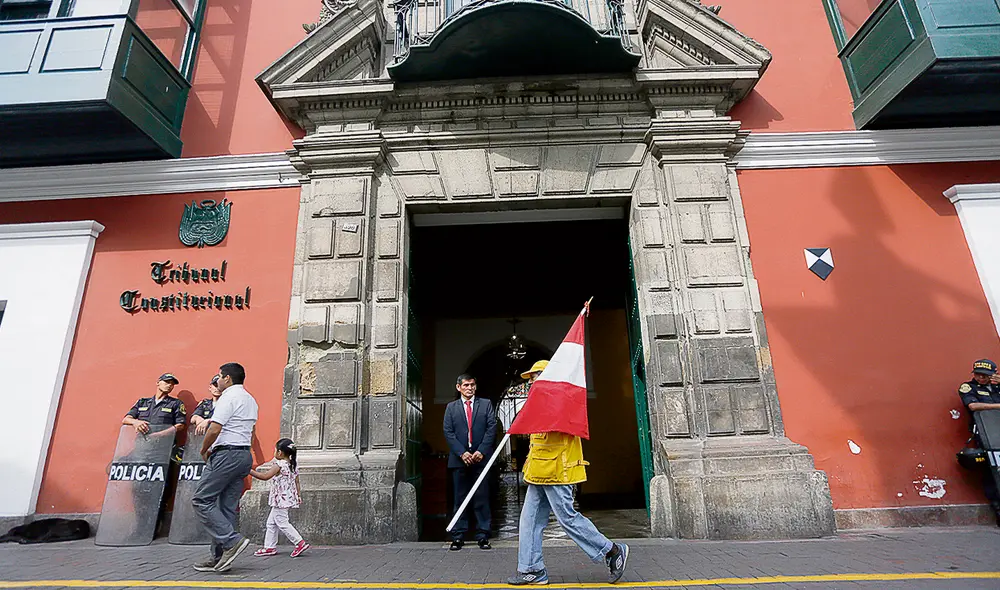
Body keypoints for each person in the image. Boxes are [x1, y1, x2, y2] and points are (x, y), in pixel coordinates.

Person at [507, 360, 629, 586]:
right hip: (538, 470)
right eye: (531, 378)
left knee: (567, 518)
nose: (531, 382)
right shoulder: (538, 402)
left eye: (535, 377)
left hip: (557, 469)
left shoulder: (562, 400)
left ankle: (611, 551)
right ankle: (532, 569)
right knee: (529, 521)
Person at [191, 362, 258, 573]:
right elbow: (252, 430)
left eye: (219, 376)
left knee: (201, 499)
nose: (217, 380)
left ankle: (231, 541)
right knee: (225, 507)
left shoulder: (228, 397)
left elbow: (214, 428)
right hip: (243, 454)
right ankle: (220, 557)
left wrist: (204, 449)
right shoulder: (250, 399)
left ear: (227, 378)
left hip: (226, 454)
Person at [443, 373, 497, 550]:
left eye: (472, 385)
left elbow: (491, 428)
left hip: (481, 460)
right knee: (459, 498)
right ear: (458, 387)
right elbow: (448, 432)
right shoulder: (451, 408)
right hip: (459, 461)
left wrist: (481, 450)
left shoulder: (486, 404)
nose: (469, 388)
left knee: (482, 498)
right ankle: (458, 536)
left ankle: (483, 535)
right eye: (466, 385)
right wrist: (462, 453)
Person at [250, 438, 310, 558]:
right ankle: (269, 547)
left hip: (280, 500)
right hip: (286, 498)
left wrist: (249, 471)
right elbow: (297, 482)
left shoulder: (279, 465)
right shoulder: (292, 465)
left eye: (275, 450)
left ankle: (299, 542)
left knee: (282, 522)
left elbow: (265, 476)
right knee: (271, 523)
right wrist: (298, 495)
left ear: (280, 453)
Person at [957, 358, 1000, 526]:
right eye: (978, 375)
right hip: (987, 434)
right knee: (993, 470)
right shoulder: (968, 387)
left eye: (985, 376)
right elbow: (973, 406)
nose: (981, 378)